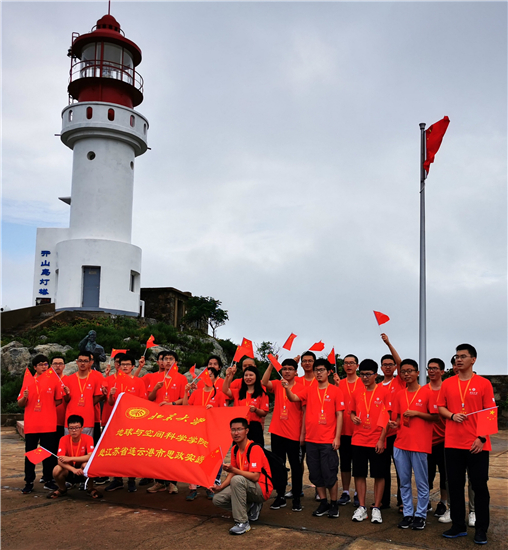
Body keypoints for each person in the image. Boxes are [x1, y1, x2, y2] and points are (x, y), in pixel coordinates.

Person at [437, 344, 495, 545]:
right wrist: (452, 415)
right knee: (454, 486)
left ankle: (481, 528)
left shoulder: (483, 383)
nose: (459, 360)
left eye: (463, 356)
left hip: (476, 444)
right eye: (456, 356)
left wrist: (481, 438)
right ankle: (458, 525)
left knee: (479, 487)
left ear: (473, 360)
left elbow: (489, 412)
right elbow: (440, 407)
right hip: (453, 443)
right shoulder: (448, 383)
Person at [284, 358, 344, 519]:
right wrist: (286, 389)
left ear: (329, 372)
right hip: (312, 440)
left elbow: (339, 415)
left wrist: (337, 437)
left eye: (322, 370)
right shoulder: (310, 390)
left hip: (327, 440)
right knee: (316, 473)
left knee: (330, 473)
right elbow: (294, 398)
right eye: (317, 370)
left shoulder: (336, 391)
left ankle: (333, 504)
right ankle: (323, 502)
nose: (318, 373)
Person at [390, 359, 434, 530]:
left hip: (419, 445)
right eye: (403, 371)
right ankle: (408, 513)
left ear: (418, 373)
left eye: (410, 371)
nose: (406, 374)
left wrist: (417, 413)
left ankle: (421, 515)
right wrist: (396, 423)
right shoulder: (400, 394)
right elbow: (400, 418)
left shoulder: (427, 393)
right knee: (404, 482)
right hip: (401, 443)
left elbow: (436, 417)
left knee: (422, 483)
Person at [211, 417, 273, 535]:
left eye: (239, 429)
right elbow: (232, 472)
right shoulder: (235, 449)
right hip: (246, 485)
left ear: (247, 431)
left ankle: (242, 522)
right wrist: (220, 486)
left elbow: (255, 477)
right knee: (218, 499)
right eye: (233, 430)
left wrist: (234, 470)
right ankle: (251, 508)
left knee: (237, 480)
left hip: (261, 488)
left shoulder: (254, 448)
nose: (236, 433)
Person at [261, 358, 303, 512]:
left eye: (290, 369)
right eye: (284, 368)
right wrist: (272, 365)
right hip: (277, 431)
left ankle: (297, 497)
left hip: (293, 433)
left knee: (296, 466)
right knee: (279, 466)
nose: (286, 371)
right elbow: (264, 382)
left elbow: (296, 401)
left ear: (296, 371)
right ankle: (280, 495)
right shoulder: (278, 384)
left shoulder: (301, 386)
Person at [350, 359, 389, 524]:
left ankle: (377, 508)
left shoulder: (384, 392)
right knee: (359, 474)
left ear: (376, 375)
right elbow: (351, 412)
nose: (365, 377)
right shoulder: (356, 392)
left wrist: (381, 440)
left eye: (368, 374)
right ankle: (361, 507)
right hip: (358, 439)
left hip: (376, 440)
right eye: (362, 374)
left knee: (379, 475)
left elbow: (386, 418)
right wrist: (354, 417)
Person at [18, 354, 62, 493]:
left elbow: (59, 400)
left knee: (48, 453)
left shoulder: (53, 380)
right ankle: (29, 481)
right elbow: (20, 404)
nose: (44, 367)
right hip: (32, 424)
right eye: (41, 364)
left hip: (48, 423)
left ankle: (48, 479)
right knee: (30, 453)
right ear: (35, 367)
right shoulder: (28, 381)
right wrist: (24, 397)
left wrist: (47, 406)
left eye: (46, 364)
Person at [104, 354, 147, 493]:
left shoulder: (138, 382)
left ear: (133, 366)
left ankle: (131, 480)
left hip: (132, 423)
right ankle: (117, 480)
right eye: (123, 364)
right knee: (116, 453)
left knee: (131, 453)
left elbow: (143, 403)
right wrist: (111, 394)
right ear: (119, 366)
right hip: (116, 422)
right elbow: (110, 403)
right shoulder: (114, 382)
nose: (125, 367)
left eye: (128, 364)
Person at [183, 366, 226, 501]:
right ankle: (192, 488)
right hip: (196, 431)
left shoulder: (219, 394)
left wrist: (214, 410)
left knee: (210, 459)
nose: (207, 378)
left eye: (211, 375)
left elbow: (223, 415)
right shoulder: (196, 393)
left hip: (211, 431)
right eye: (205, 375)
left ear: (215, 378)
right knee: (193, 458)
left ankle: (209, 486)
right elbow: (185, 408)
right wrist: (186, 392)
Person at [146, 350, 186, 494]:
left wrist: (173, 404)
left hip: (174, 419)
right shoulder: (156, 377)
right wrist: (156, 388)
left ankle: (172, 483)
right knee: (157, 452)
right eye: (165, 359)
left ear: (175, 362)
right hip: (157, 419)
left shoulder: (181, 378)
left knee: (172, 452)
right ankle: (158, 482)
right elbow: (150, 398)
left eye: (171, 359)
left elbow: (184, 399)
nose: (168, 361)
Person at [376, 333, 404, 511]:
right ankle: (384, 501)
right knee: (382, 469)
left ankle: (402, 502)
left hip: (398, 433)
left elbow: (402, 363)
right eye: (384, 365)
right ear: (381, 367)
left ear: (394, 367)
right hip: (382, 434)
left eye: (390, 364)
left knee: (401, 469)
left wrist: (388, 344)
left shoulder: (400, 381)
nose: (388, 367)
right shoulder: (377, 386)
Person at [47, 414, 101, 500]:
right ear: (68, 429)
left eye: (77, 427)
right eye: (71, 428)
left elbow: (91, 456)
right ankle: (62, 488)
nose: (74, 430)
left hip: (82, 469)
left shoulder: (88, 438)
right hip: (69, 469)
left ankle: (90, 488)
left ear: (82, 428)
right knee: (56, 469)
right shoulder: (63, 439)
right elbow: (60, 460)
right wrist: (73, 470)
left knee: (87, 465)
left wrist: (71, 458)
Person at [334, 354, 361, 507]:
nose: (349, 365)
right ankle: (345, 492)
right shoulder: (340, 383)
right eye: (346, 363)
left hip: (358, 431)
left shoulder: (362, 383)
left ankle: (358, 492)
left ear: (357, 366)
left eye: (352, 363)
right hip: (343, 430)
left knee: (358, 464)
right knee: (344, 464)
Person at [426, 358, 449, 520]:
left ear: (442, 371)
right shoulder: (422, 390)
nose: (432, 371)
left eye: (435, 368)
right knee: (425, 475)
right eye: (429, 368)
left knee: (445, 475)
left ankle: (443, 502)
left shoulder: (447, 390)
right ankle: (424, 500)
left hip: (445, 440)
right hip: (426, 440)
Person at [223, 366, 269, 447]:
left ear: (256, 377)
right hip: (239, 427)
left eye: (251, 375)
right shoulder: (238, 392)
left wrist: (256, 410)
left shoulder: (262, 394)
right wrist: (228, 376)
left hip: (254, 427)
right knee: (238, 450)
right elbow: (225, 390)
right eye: (246, 375)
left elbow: (264, 412)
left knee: (255, 451)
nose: (248, 377)